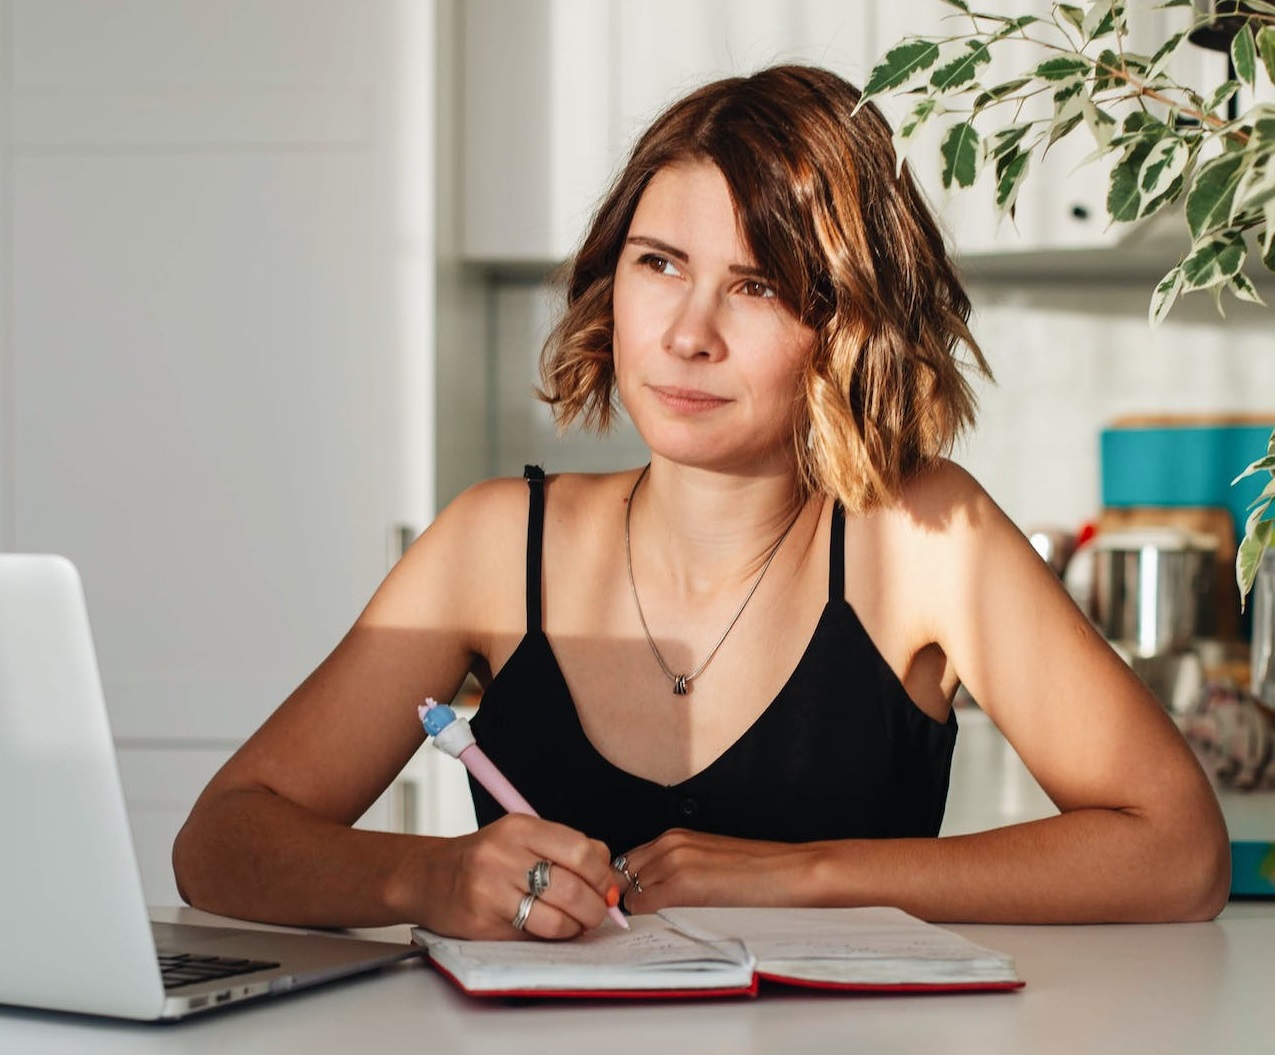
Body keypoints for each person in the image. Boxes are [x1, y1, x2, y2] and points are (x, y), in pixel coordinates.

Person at [173, 65, 1230, 940]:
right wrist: (432, 878)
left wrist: (807, 875)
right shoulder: (495, 542)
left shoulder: (921, 538)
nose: (688, 333)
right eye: (660, 264)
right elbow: (220, 840)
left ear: (847, 323)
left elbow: (1177, 851)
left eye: (758, 284)